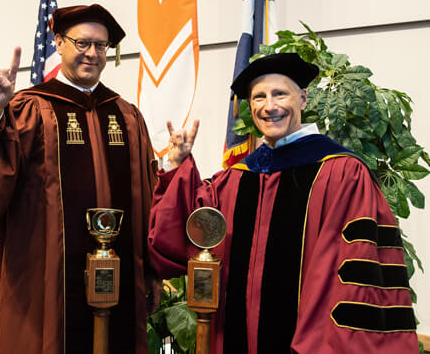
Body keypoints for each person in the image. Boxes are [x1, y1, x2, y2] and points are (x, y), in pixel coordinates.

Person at [148, 52, 418, 353]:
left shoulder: (343, 174)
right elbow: (193, 226)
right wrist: (176, 164)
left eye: (280, 94)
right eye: (259, 97)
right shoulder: (237, 178)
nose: (269, 106)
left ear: (302, 98)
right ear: (250, 106)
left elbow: (347, 276)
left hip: (310, 342)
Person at [0, 4, 158, 354]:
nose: (92, 53)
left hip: (121, 279)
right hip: (45, 282)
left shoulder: (127, 116)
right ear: (58, 43)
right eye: (82, 43)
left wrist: (151, 271)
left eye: (101, 46)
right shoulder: (29, 110)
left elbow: (147, 197)